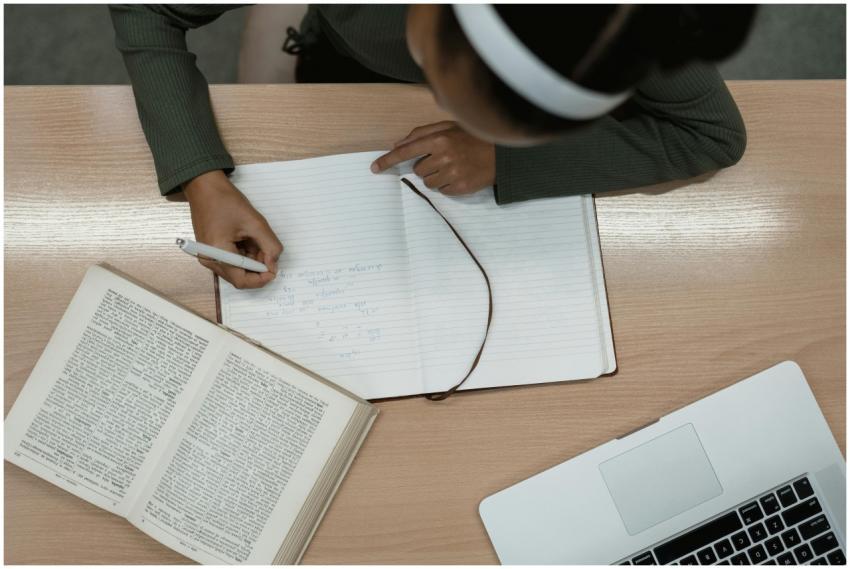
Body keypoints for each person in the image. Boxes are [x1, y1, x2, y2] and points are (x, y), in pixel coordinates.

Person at [109, 4, 755, 289]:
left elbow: (711, 130)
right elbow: (146, 7)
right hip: (346, 51)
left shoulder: (626, 19)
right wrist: (201, 176)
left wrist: (506, 159)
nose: (440, 109)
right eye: (445, 85)